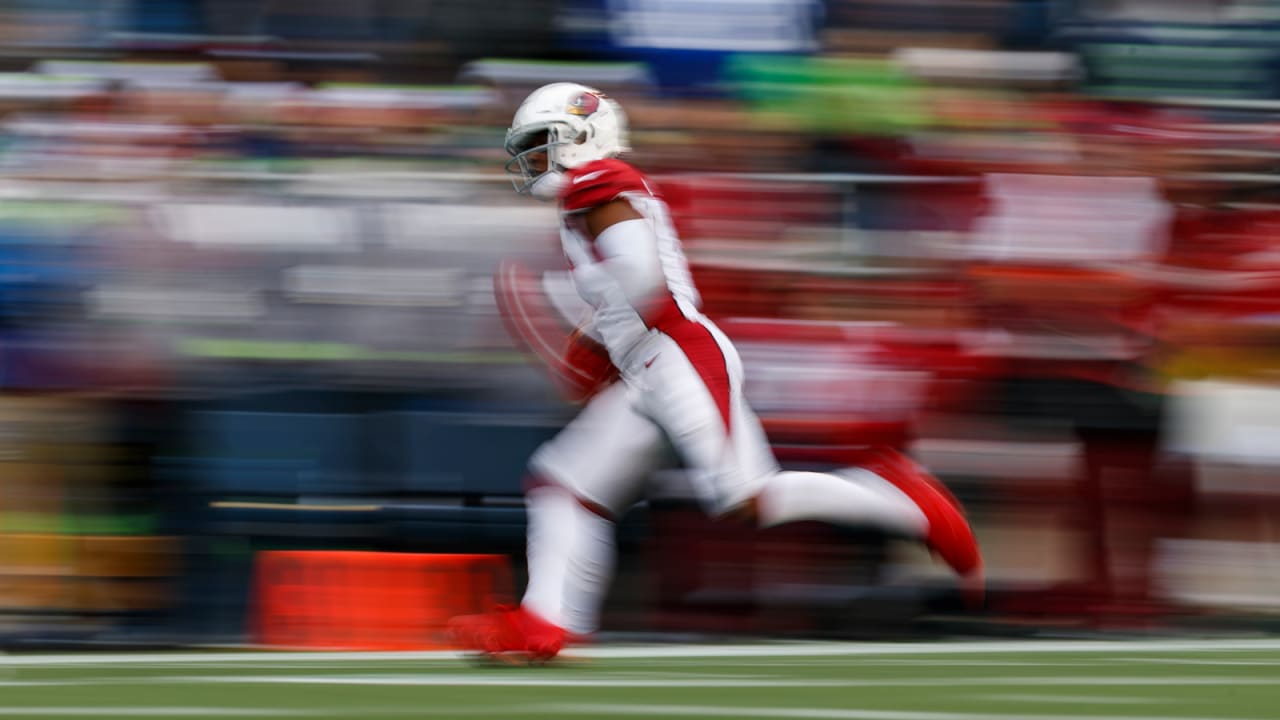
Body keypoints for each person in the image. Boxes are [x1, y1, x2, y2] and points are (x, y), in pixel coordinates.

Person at [449, 82, 982, 661]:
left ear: (581, 137)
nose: (531, 160)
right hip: (646, 367)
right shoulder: (584, 196)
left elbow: (642, 279)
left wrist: (576, 321)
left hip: (678, 354)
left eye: (540, 143)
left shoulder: (596, 183)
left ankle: (904, 501)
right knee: (563, 485)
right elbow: (631, 289)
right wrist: (592, 333)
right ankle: (545, 622)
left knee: (745, 496)